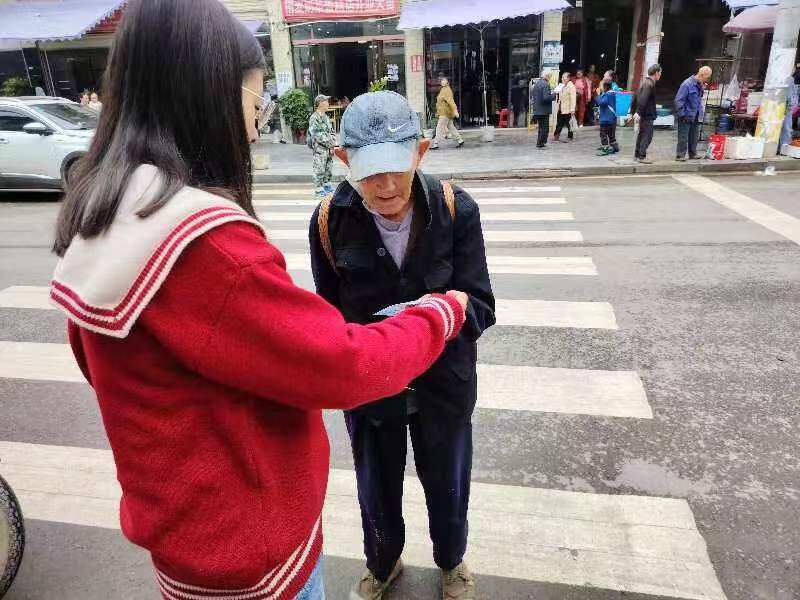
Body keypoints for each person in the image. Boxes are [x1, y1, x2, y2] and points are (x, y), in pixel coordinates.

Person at [49, 2, 469, 599]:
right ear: (208, 99)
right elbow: (338, 361)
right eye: (253, 106)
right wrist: (438, 313)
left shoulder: (107, 210)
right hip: (251, 547)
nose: (251, 130)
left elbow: (101, 363)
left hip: (186, 538)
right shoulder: (204, 242)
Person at [310, 91, 496, 600]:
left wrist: (444, 313)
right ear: (343, 159)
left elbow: (481, 304)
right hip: (370, 392)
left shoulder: (457, 210)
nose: (386, 185)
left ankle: (452, 562)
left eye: (396, 167)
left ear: (420, 152)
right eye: (370, 171)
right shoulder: (328, 221)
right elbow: (328, 316)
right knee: (376, 490)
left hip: (444, 385)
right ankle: (383, 562)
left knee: (449, 486)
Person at [675, 65, 712, 161]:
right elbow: (679, 100)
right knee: (683, 136)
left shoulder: (699, 85)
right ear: (702, 75)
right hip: (686, 115)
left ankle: (693, 153)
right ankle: (680, 155)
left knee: (694, 136)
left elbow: (698, 99)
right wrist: (682, 115)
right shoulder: (687, 84)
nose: (706, 80)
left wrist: (702, 88)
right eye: (706, 78)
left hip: (696, 114)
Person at [629, 63, 661, 164]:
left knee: (642, 135)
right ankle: (641, 156)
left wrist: (632, 112)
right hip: (647, 115)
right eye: (660, 73)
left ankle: (637, 154)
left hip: (644, 114)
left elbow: (634, 96)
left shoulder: (644, 82)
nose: (660, 75)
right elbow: (643, 99)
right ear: (656, 73)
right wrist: (638, 112)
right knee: (647, 136)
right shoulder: (649, 84)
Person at [308, 93, 336, 195]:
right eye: (326, 102)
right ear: (320, 103)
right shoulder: (314, 118)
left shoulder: (326, 117)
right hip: (320, 149)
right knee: (319, 168)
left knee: (328, 168)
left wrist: (332, 144)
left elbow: (331, 131)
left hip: (328, 148)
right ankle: (319, 189)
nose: (328, 104)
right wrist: (330, 143)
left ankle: (327, 185)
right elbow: (316, 135)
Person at [430, 77, 464, 149]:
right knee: (451, 127)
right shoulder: (443, 89)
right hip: (445, 112)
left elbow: (451, 101)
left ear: (447, 82)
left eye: (444, 80)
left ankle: (435, 143)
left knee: (439, 127)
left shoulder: (447, 90)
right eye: (441, 81)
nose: (442, 82)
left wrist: (455, 110)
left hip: (445, 113)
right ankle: (460, 140)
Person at [530, 68, 556, 148]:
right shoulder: (545, 84)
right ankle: (541, 143)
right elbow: (546, 98)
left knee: (541, 127)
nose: (550, 77)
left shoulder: (538, 83)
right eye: (550, 76)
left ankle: (540, 142)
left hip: (538, 109)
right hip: (544, 110)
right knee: (544, 128)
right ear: (547, 76)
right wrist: (554, 95)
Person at [596, 81, 619, 155]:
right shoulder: (611, 93)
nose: (599, 87)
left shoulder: (608, 94)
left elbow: (601, 103)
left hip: (606, 118)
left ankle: (605, 148)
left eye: (600, 86)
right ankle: (614, 147)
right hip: (610, 118)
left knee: (603, 134)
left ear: (605, 87)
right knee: (611, 134)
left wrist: (598, 95)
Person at [553, 71, 577, 142]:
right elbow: (557, 94)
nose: (562, 79)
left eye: (564, 77)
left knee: (569, 123)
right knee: (559, 123)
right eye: (562, 77)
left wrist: (572, 109)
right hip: (561, 108)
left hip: (568, 108)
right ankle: (556, 136)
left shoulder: (571, 86)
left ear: (568, 78)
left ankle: (570, 136)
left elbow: (573, 99)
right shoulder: (561, 85)